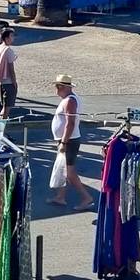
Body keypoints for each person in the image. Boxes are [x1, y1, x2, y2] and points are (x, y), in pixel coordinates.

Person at [50, 75, 88, 207]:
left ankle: (86, 198)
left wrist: (64, 142)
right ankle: (60, 196)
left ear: (62, 87)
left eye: (57, 86)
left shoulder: (69, 101)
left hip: (69, 140)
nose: (56, 89)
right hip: (68, 139)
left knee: (70, 172)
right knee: (64, 170)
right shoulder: (68, 99)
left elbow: (70, 123)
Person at [0, 27, 19, 116]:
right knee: (7, 108)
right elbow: (11, 69)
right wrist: (14, 82)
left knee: (4, 106)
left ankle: (1, 123)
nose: (13, 38)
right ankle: (1, 126)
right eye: (12, 36)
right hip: (8, 81)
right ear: (6, 38)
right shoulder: (8, 51)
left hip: (1, 81)